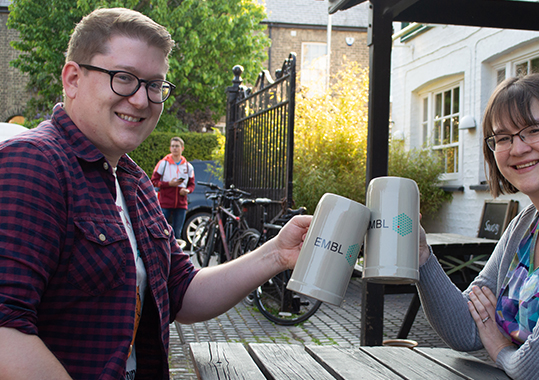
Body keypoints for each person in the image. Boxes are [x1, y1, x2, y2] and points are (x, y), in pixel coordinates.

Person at [0, 8, 311, 380]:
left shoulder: (133, 180)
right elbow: (6, 332)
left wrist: (277, 253)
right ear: (72, 79)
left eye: (154, 85)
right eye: (124, 78)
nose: (141, 100)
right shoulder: (34, 163)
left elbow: (183, 291)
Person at [416, 74, 539, 379]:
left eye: (533, 130)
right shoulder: (527, 223)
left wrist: (499, 348)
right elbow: (469, 329)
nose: (518, 148)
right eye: (503, 138)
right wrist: (420, 258)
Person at [151, 137, 195, 240]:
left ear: (182, 148)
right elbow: (153, 182)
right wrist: (169, 184)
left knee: (177, 233)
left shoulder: (188, 166)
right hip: (165, 202)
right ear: (170, 148)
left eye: (177, 146)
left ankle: (175, 255)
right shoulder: (163, 164)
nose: (175, 148)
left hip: (181, 203)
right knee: (162, 230)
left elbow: (191, 184)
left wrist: (187, 190)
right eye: (173, 146)